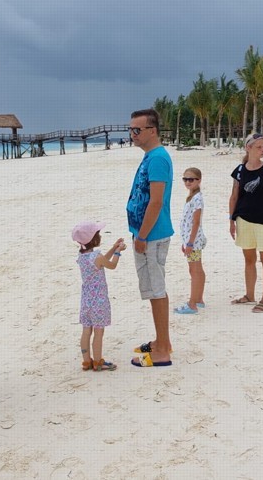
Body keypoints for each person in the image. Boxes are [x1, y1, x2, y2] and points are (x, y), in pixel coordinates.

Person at [126, 109, 174, 368]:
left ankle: (162, 351)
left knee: (156, 291)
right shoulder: (151, 156)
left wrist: (142, 235)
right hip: (146, 233)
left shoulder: (157, 159)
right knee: (155, 289)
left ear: (152, 131)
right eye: (130, 129)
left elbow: (156, 202)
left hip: (152, 235)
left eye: (137, 130)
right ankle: (161, 341)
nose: (132, 134)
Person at [228, 133, 263, 313]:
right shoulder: (239, 171)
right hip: (243, 220)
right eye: (259, 147)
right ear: (248, 148)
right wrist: (231, 220)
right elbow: (234, 196)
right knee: (249, 259)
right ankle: (249, 295)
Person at [72, 221, 126, 371]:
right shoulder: (96, 256)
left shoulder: (82, 256)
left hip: (86, 300)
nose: (100, 236)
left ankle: (86, 362)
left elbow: (102, 261)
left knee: (86, 330)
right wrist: (118, 252)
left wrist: (113, 247)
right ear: (93, 239)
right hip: (99, 301)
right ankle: (97, 362)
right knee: (98, 331)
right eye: (98, 234)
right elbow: (111, 265)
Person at [174, 167, 206, 315]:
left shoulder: (197, 198)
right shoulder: (192, 197)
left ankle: (192, 304)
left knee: (194, 270)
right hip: (190, 240)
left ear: (198, 180)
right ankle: (198, 299)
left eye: (191, 179)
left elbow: (196, 222)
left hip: (193, 241)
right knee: (196, 269)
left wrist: (190, 243)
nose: (188, 182)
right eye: (185, 179)